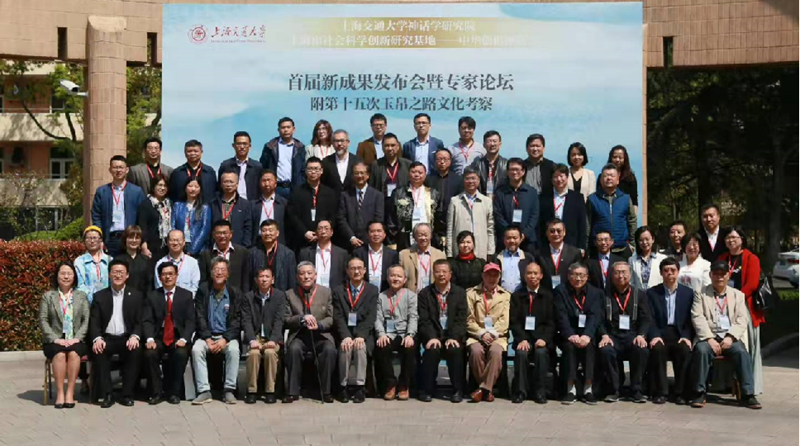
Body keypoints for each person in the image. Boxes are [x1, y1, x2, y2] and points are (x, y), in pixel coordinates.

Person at [689, 261, 761, 409]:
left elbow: (742, 319)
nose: (719, 277)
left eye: (723, 274)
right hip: (709, 336)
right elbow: (697, 317)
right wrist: (709, 339)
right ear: (710, 275)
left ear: (728, 276)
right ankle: (699, 392)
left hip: (730, 337)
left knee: (741, 353)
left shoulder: (738, 295)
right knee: (701, 350)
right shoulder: (700, 293)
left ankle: (748, 394)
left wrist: (731, 337)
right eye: (716, 274)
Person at [90, 259, 144, 408]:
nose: (118, 275)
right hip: (107, 338)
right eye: (115, 272)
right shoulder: (100, 296)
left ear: (127, 275)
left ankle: (127, 394)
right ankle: (107, 394)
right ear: (109, 274)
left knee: (136, 350)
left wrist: (135, 336)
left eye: (121, 272)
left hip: (127, 337)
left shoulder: (136, 295)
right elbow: (94, 321)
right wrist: (97, 338)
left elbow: (140, 320)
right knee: (98, 351)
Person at [191, 257, 243, 405]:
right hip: (206, 336)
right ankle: (204, 391)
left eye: (222, 270)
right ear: (211, 272)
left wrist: (225, 339)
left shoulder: (234, 292)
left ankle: (229, 390)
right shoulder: (203, 290)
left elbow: (237, 320)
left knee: (233, 350)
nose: (219, 273)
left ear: (228, 274)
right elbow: (199, 316)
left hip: (226, 337)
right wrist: (207, 338)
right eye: (216, 269)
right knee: (196, 350)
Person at [719, 226, 764, 395]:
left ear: (742, 239)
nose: (731, 240)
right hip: (723, 306)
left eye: (734, 237)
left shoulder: (751, 258)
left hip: (745, 306)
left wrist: (734, 300)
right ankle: (727, 384)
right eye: (728, 238)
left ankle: (749, 386)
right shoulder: (723, 258)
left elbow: (751, 285)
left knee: (746, 348)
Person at [283, 262, 337, 403]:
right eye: (302, 274)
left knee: (329, 350)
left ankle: (326, 391)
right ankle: (292, 392)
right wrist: (301, 318)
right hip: (299, 334)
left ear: (315, 275)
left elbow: (331, 318)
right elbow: (286, 319)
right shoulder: (290, 294)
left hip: (321, 334)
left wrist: (319, 325)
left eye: (309, 273)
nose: (306, 276)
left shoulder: (326, 292)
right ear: (297, 277)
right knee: (293, 349)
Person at [597, 262, 651, 403]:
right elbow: (598, 318)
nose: (620, 276)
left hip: (632, 334)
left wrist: (641, 335)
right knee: (606, 350)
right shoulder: (604, 295)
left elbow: (646, 318)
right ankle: (614, 390)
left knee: (641, 349)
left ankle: (636, 390)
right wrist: (604, 335)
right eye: (617, 272)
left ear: (630, 274)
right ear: (611, 275)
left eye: (624, 272)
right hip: (612, 335)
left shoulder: (639, 294)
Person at [142, 262, 194, 405]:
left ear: (176, 276)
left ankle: (174, 392)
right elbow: (147, 320)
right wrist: (150, 339)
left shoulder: (186, 295)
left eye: (171, 274)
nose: (168, 277)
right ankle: (157, 392)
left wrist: (184, 339)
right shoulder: (152, 295)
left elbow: (191, 321)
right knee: (149, 354)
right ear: (159, 277)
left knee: (181, 354)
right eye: (164, 274)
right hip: (158, 336)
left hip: (178, 336)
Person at [39, 262, 90, 409]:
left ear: (74, 277)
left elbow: (86, 320)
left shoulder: (81, 296)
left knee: (74, 353)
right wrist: (55, 339)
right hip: (54, 340)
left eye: (69, 274)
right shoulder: (48, 296)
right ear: (57, 276)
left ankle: (70, 393)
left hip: (76, 339)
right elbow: (43, 320)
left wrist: (77, 338)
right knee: (60, 354)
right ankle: (60, 393)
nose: (66, 276)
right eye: (62, 273)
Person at [417, 259, 468, 403]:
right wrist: (431, 337)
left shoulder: (459, 293)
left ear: (450, 274)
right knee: (432, 350)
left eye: (444, 272)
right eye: (438, 271)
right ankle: (427, 389)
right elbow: (424, 319)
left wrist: (454, 337)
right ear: (433, 274)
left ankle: (457, 389)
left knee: (455, 350)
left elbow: (461, 319)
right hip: (434, 335)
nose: (441, 275)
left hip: (452, 335)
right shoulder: (425, 294)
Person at [646, 257, 694, 405]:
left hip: (679, 333)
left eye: (673, 270)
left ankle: (680, 393)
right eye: (666, 270)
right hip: (660, 332)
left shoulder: (688, 293)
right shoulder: (652, 293)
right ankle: (661, 392)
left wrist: (686, 336)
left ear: (678, 272)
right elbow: (649, 318)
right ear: (661, 273)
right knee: (657, 349)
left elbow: (691, 319)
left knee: (684, 350)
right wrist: (654, 335)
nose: (670, 273)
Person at [554, 262, 603, 405]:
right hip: (567, 334)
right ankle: (571, 389)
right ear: (568, 276)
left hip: (587, 333)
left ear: (587, 277)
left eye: (581, 275)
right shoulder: (560, 291)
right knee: (569, 348)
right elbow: (560, 315)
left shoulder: (595, 293)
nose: (578, 278)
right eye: (575, 275)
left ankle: (588, 388)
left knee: (589, 347)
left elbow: (595, 316)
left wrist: (587, 335)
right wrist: (570, 334)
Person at [332, 257, 379, 403]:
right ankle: (343, 387)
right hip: (344, 332)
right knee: (345, 347)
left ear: (364, 270)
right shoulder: (338, 290)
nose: (356, 271)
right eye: (353, 268)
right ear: (347, 271)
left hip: (364, 334)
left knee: (360, 347)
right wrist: (346, 336)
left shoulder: (372, 290)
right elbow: (338, 316)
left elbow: (371, 316)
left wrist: (361, 336)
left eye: (359, 268)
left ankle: (360, 387)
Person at [510, 261, 555, 404]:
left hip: (541, 339)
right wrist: (522, 339)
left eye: (535, 273)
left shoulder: (548, 296)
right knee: (521, 353)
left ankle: (540, 391)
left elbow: (552, 322)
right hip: (524, 338)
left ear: (541, 276)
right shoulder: (517, 296)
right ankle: (520, 392)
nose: (532, 276)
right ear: (524, 276)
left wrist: (544, 339)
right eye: (529, 273)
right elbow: (514, 322)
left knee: (541, 353)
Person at [465, 263, 511, 402]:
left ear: (499, 277)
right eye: (488, 275)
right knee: (476, 351)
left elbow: (504, 321)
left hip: (497, 336)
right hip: (476, 335)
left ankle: (482, 390)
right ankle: (487, 390)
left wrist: (492, 334)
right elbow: (469, 319)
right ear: (482, 276)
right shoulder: (471, 294)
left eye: (495, 275)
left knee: (496, 351)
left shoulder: (505, 295)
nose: (492, 278)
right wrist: (481, 334)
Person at [241, 267, 286, 404]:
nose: (264, 279)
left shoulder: (279, 296)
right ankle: (252, 390)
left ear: (273, 280)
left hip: (272, 337)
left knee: (270, 353)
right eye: (261, 276)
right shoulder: (248, 297)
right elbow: (246, 321)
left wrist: (273, 340)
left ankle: (270, 390)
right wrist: (251, 340)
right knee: (253, 354)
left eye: (267, 276)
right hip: (255, 337)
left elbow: (279, 320)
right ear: (256, 280)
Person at [374, 265, 418, 401]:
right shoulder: (381, 296)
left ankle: (404, 384)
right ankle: (391, 383)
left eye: (399, 276)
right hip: (388, 333)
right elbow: (378, 318)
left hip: (404, 333)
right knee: (381, 347)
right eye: (392, 275)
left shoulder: (411, 296)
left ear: (404, 279)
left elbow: (413, 317)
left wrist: (410, 335)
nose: (396, 278)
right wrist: (381, 334)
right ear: (388, 278)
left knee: (410, 348)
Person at [91, 155, 146, 256]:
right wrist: (100, 238)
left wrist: (142, 241)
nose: (118, 170)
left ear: (127, 170)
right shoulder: (102, 191)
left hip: (131, 239)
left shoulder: (136, 191)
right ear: (110, 170)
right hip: (110, 239)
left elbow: (143, 217)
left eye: (121, 167)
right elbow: (96, 216)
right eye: (115, 167)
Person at [387, 162, 444, 250]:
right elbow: (391, 217)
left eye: (420, 172)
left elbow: (439, 217)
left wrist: (441, 236)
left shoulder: (433, 193)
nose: (416, 175)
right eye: (413, 172)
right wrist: (392, 241)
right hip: (405, 236)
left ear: (425, 175)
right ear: (409, 173)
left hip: (427, 236)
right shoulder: (398, 192)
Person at [586, 163, 637, 259]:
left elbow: (632, 221)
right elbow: (587, 224)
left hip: (621, 249)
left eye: (612, 176)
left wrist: (633, 244)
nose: (609, 178)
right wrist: (586, 247)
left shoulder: (625, 198)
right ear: (601, 179)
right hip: (598, 249)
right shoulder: (592, 199)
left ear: (618, 179)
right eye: (606, 176)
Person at [287, 157, 338, 250]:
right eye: (310, 169)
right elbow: (292, 215)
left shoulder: (330, 192)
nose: (313, 172)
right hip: (301, 240)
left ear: (321, 171)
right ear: (306, 171)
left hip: (324, 238)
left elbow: (333, 215)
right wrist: (304, 232)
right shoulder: (297, 192)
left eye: (316, 169)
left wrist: (323, 232)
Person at [446, 167, 495, 259]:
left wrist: (490, 251)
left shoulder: (487, 201)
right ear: (463, 180)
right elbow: (449, 229)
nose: (470, 181)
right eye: (467, 178)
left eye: (473, 178)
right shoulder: (455, 201)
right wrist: (449, 253)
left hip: (480, 250)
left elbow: (490, 229)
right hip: (460, 251)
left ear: (479, 180)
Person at [494, 157, 539, 253]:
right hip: (506, 240)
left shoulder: (531, 192)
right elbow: (498, 215)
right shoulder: (500, 192)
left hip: (527, 240)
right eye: (511, 169)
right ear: (507, 172)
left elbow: (534, 215)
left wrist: (524, 234)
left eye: (517, 169)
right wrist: (510, 234)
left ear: (523, 172)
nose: (514, 172)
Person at [337, 161, 384, 250]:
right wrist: (352, 237)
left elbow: (378, 219)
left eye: (362, 173)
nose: (359, 176)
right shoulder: (345, 195)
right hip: (349, 243)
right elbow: (341, 218)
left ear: (368, 175)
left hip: (370, 243)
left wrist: (368, 237)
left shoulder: (377, 195)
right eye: (356, 173)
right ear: (352, 175)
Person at [539, 164, 587, 251]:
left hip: (571, 243)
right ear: (551, 179)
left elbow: (582, 223)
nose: (559, 179)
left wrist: (582, 246)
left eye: (561, 176)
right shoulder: (543, 197)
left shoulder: (577, 197)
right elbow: (540, 222)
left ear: (567, 177)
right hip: (548, 243)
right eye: (555, 177)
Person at [198, 220, 251, 293]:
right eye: (219, 233)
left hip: (236, 296)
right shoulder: (205, 254)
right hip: (213, 295)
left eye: (225, 233)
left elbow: (246, 280)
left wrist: (244, 297)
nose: (222, 236)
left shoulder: (242, 252)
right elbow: (203, 280)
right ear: (213, 235)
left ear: (231, 234)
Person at [259, 117, 306, 198]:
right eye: (283, 127)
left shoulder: (300, 147)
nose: (286, 130)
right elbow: (263, 167)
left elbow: (303, 169)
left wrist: (301, 184)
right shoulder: (270, 146)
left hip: (295, 188)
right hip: (276, 188)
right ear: (278, 130)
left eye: (288, 127)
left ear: (293, 129)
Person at [298, 220, 349, 289]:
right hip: (312, 293)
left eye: (326, 228)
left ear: (332, 232)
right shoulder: (305, 253)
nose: (323, 231)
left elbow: (346, 277)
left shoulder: (342, 254)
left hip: (334, 293)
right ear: (316, 232)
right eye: (320, 228)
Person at [249, 219, 297, 292]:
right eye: (264, 230)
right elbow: (248, 278)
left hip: (281, 295)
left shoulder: (288, 254)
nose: (267, 233)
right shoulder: (252, 253)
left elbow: (292, 280)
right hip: (258, 294)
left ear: (277, 233)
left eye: (270, 230)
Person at [210, 170, 253, 248]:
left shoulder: (245, 204)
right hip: (216, 246)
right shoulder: (213, 204)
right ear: (221, 184)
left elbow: (248, 228)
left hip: (237, 247)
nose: (228, 184)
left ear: (237, 184)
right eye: (225, 182)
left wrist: (245, 246)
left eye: (231, 182)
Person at [399, 223, 446, 292]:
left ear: (431, 236)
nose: (423, 238)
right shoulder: (404, 254)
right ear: (414, 237)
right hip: (412, 294)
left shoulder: (440, 255)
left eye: (426, 235)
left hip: (433, 295)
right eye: (420, 235)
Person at [352, 221, 399, 292]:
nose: (376, 234)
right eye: (372, 231)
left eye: (379, 231)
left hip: (386, 293)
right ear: (367, 234)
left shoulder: (392, 254)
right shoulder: (358, 253)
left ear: (384, 234)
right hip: (364, 293)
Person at [171, 179, 212, 256]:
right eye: (190, 186)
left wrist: (192, 250)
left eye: (196, 187)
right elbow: (173, 226)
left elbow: (205, 229)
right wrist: (177, 244)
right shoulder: (177, 205)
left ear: (200, 189)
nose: (193, 189)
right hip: (180, 244)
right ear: (185, 188)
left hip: (198, 247)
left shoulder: (205, 207)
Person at [169, 139, 218, 204]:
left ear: (201, 152)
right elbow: (172, 195)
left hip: (206, 208)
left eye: (196, 151)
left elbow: (215, 192)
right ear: (185, 153)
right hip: (183, 209)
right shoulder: (177, 173)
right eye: (189, 151)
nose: (192, 153)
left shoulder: (209, 172)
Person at [539, 219, 583, 291]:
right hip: (546, 293)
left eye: (559, 231)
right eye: (552, 231)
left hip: (568, 293)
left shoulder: (574, 253)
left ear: (564, 232)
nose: (556, 234)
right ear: (547, 233)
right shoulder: (539, 253)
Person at [154, 230, 201, 295]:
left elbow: (194, 287)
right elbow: (159, 287)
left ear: (184, 242)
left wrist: (185, 299)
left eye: (178, 240)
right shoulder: (160, 263)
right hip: (166, 300)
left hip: (187, 300)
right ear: (167, 242)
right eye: (172, 240)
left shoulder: (193, 263)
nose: (175, 243)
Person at [218, 131, 262, 200]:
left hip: (252, 203)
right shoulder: (226, 165)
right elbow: (219, 188)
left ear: (250, 146)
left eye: (245, 144)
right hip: (231, 203)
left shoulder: (257, 166)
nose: (242, 147)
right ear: (233, 146)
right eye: (239, 144)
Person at [250, 169, 289, 247]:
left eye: (269, 180)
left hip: (278, 243)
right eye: (264, 181)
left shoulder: (284, 203)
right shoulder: (253, 204)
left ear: (275, 183)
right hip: (258, 242)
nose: (267, 183)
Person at [137, 175, 172, 261]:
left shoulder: (169, 204)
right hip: (152, 246)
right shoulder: (146, 204)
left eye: (165, 186)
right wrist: (144, 247)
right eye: (159, 185)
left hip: (168, 246)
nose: (162, 188)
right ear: (153, 187)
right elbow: (142, 226)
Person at [495, 225, 538, 293]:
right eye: (508, 238)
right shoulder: (497, 258)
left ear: (521, 239)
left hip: (522, 296)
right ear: (503, 239)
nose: (512, 241)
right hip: (501, 296)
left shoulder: (528, 258)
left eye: (515, 238)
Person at [74, 226, 110, 304]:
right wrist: (94, 299)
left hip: (108, 302)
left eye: (95, 238)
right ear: (84, 241)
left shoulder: (109, 260)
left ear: (100, 240)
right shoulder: (79, 261)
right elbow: (79, 285)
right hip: (87, 303)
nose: (92, 241)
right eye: (89, 238)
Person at [369, 133, 411, 198]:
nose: (390, 148)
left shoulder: (407, 164)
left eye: (392, 145)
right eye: (387, 145)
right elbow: (371, 187)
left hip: (402, 201)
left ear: (398, 147)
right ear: (382, 147)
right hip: (382, 201)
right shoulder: (376, 165)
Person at [425, 147, 464, 220]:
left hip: (452, 216)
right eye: (439, 159)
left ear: (450, 161)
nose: (442, 162)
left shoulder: (458, 179)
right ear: (435, 161)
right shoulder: (428, 179)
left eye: (445, 159)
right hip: (432, 217)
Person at [321, 129, 363, 195]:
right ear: (332, 143)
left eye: (342, 141)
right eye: (336, 141)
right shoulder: (326, 162)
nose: (339, 144)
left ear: (348, 143)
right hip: (332, 199)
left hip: (353, 199)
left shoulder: (358, 161)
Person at [114, 225, 153, 293]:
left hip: (142, 297)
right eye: (131, 237)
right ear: (125, 239)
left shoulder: (146, 260)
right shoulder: (118, 260)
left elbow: (149, 284)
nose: (134, 240)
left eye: (137, 238)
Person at [629, 226, 668, 291]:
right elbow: (631, 282)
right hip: (639, 295)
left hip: (657, 294)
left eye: (647, 239)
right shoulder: (632, 260)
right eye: (641, 240)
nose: (644, 242)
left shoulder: (663, 259)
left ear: (653, 239)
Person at [470, 130, 508, 196]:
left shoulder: (507, 164)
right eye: (489, 141)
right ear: (484, 145)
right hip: (481, 200)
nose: (492, 144)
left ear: (500, 144)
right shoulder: (476, 164)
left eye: (494, 141)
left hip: (501, 200)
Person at [602, 145, 639, 211]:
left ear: (625, 159)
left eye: (620, 157)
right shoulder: (603, 176)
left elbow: (634, 201)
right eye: (615, 157)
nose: (617, 160)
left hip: (624, 213)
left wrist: (634, 216)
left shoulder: (630, 178)